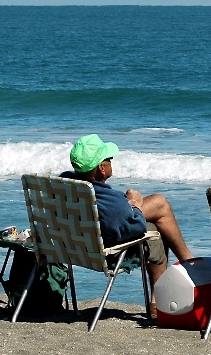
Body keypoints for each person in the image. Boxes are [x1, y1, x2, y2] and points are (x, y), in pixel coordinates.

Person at [61, 133, 194, 315]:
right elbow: (136, 226)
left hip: (76, 247)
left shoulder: (66, 183)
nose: (111, 161)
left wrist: (127, 205)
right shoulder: (111, 202)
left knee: (158, 210)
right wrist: (135, 203)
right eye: (109, 159)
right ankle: (184, 266)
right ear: (101, 168)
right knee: (157, 222)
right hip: (106, 251)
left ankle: (184, 264)